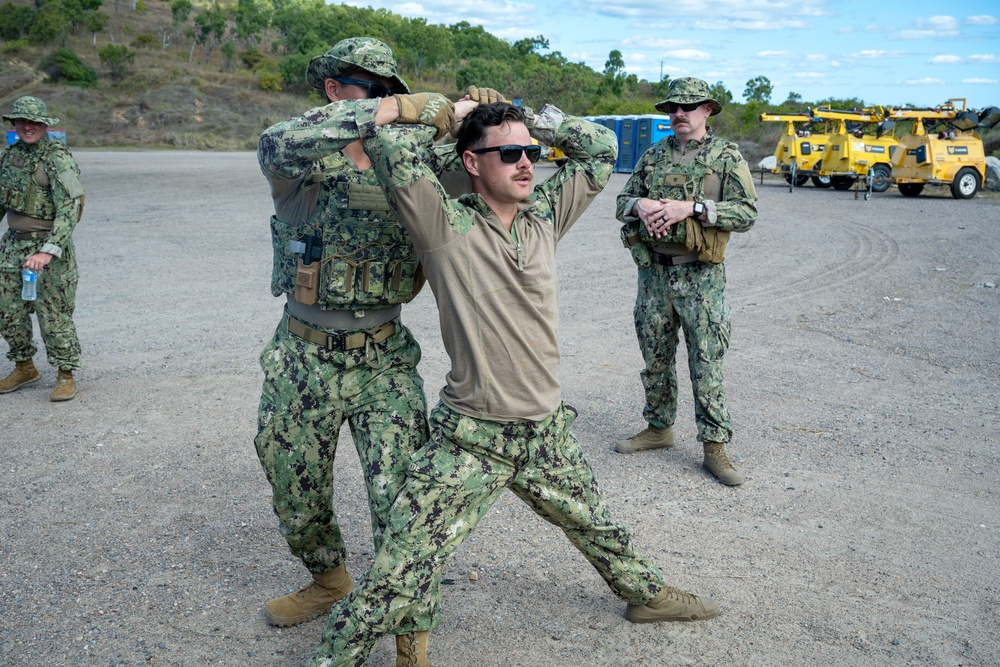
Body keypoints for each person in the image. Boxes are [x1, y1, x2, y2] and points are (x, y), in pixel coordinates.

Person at [306, 100, 721, 667]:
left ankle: (645, 596)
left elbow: (599, 149)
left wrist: (534, 119)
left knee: (595, 523)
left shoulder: (544, 216)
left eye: (532, 152)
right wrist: (437, 114)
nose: (527, 163)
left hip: (544, 430)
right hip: (473, 439)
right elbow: (391, 149)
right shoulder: (443, 222)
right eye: (510, 154)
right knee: (394, 576)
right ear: (472, 164)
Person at [254, 37, 480, 665]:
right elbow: (275, 141)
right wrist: (401, 111)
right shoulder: (299, 159)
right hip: (302, 356)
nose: (387, 102)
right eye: (372, 90)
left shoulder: (407, 166)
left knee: (402, 502)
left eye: (392, 92)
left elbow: (480, 180)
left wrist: (475, 122)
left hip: (383, 358)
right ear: (334, 91)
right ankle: (329, 579)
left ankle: (412, 639)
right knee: (294, 491)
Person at [614, 77, 757, 486]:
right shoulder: (654, 155)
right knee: (655, 357)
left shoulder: (726, 156)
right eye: (673, 107)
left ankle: (714, 447)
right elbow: (621, 201)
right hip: (653, 275)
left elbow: (746, 212)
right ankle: (659, 428)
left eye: (688, 107)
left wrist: (692, 208)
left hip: (700, 277)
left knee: (705, 361)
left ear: (707, 110)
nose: (678, 113)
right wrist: (638, 204)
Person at [0, 96, 84, 402]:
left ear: (44, 125)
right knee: (7, 309)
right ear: (14, 124)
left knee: (54, 314)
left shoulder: (56, 158)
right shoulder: (9, 157)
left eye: (33, 122)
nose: (27, 127)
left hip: (49, 249)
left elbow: (69, 208)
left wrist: (48, 251)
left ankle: (65, 374)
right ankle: (24, 366)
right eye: (21, 121)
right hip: (13, 246)